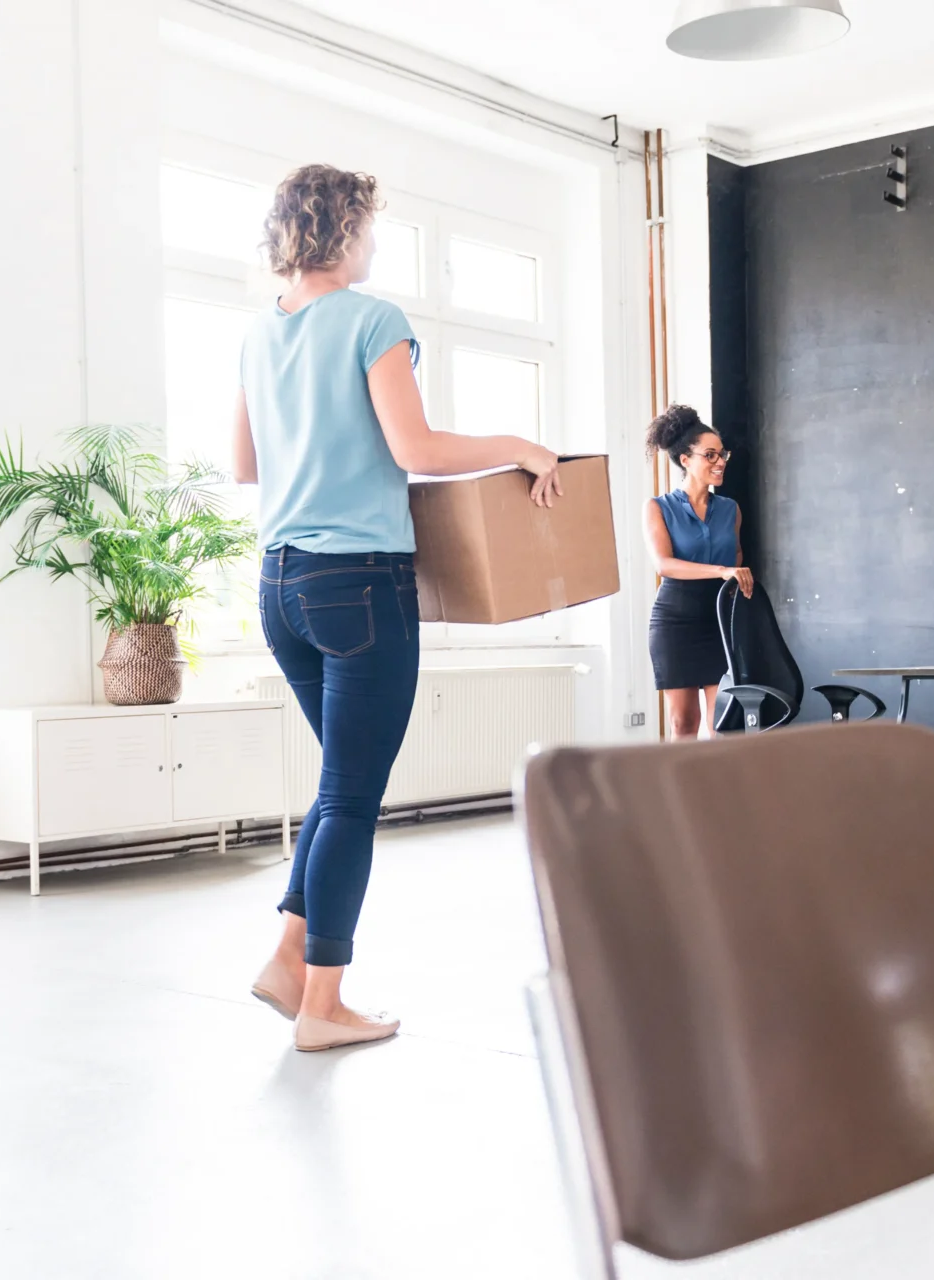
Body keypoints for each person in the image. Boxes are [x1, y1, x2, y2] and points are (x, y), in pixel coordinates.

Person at [231, 164, 563, 1050]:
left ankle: (287, 959)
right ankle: (324, 1005)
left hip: (279, 586)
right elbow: (413, 446)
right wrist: (519, 445)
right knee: (351, 796)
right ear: (341, 229)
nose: (374, 242)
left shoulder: (258, 337)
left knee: (339, 786)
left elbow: (245, 465)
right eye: (370, 227)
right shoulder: (373, 319)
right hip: (360, 586)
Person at [642, 406, 749, 740]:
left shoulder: (730, 509)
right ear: (685, 460)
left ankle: (718, 793)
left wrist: (739, 582)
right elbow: (664, 565)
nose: (720, 462)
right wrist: (721, 570)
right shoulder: (658, 507)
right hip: (677, 620)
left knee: (723, 724)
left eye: (723, 454)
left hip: (719, 620)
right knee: (683, 724)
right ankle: (678, 793)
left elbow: (737, 558)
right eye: (711, 455)